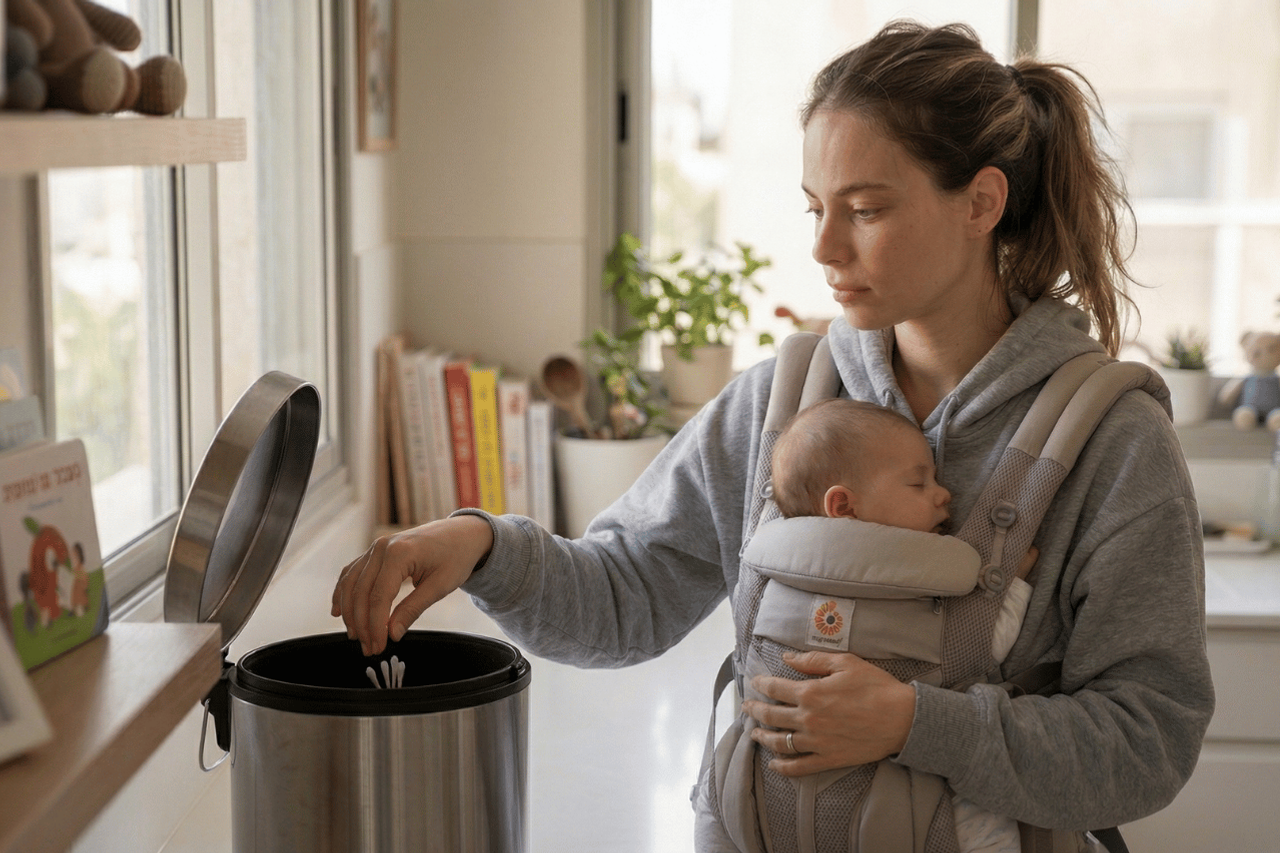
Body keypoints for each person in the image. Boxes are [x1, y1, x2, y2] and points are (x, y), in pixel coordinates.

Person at [333, 20, 1214, 851]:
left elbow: (1151, 741)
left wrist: (918, 723)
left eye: (864, 209)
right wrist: (481, 547)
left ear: (981, 201)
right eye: (814, 207)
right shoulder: (779, 405)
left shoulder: (1115, 442)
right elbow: (625, 594)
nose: (825, 247)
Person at [768, 396, 1035, 853]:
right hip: (917, 810)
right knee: (983, 825)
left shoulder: (775, 574)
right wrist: (1010, 586)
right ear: (844, 506)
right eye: (918, 482)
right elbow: (982, 645)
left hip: (800, 817)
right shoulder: (920, 584)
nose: (943, 493)